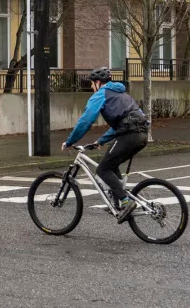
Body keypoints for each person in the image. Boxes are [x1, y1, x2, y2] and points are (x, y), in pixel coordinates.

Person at [63, 68, 152, 215]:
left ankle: (125, 201)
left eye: (92, 84)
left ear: (98, 83)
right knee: (112, 163)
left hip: (128, 135)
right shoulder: (123, 95)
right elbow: (124, 123)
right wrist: (100, 141)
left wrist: (69, 141)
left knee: (102, 169)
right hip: (142, 135)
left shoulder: (100, 94)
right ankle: (118, 202)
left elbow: (86, 120)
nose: (92, 87)